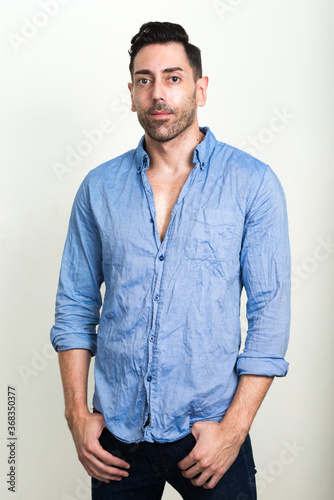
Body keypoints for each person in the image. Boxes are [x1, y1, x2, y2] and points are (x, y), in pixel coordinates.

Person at [50, 21, 291, 499]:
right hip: (117, 437)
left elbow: (269, 319)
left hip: (209, 432)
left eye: (173, 77)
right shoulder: (99, 188)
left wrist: (235, 429)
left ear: (200, 88)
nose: (158, 92)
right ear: (132, 91)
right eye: (145, 79)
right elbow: (75, 307)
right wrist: (77, 415)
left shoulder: (253, 184)